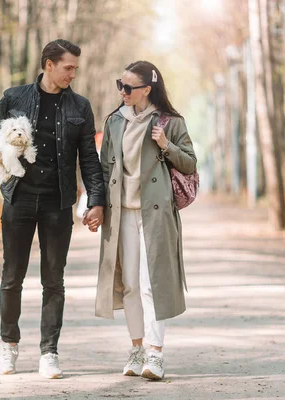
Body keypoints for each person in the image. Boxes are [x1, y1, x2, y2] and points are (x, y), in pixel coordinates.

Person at [0, 39, 105, 379]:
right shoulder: (15, 97)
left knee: (54, 281)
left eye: (75, 69)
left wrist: (96, 200)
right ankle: (8, 346)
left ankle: (49, 352)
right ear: (49, 65)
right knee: (11, 277)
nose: (72, 74)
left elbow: (89, 159)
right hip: (18, 198)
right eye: (68, 67)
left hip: (57, 202)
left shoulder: (80, 106)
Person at [94, 61, 197, 380]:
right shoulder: (114, 122)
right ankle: (136, 348)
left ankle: (155, 354)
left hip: (155, 214)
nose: (122, 92)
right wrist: (95, 206)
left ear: (147, 90)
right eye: (119, 85)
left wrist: (166, 145)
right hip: (121, 212)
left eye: (128, 87)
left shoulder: (171, 122)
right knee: (130, 286)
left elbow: (190, 164)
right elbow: (103, 169)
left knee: (151, 283)